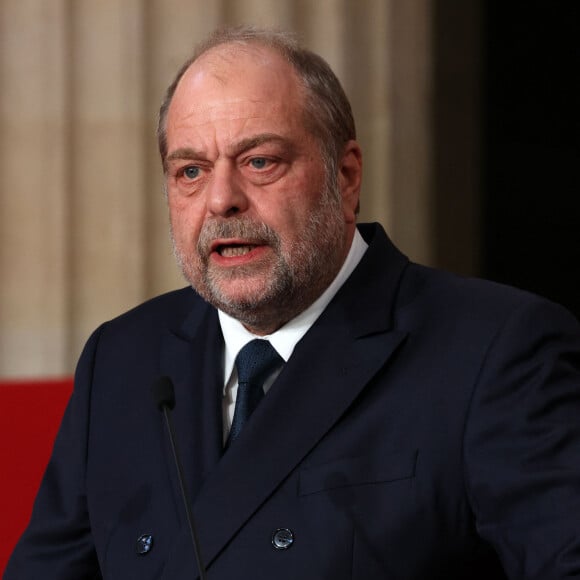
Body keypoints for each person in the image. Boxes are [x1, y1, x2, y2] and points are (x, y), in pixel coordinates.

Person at [6, 25, 580, 579]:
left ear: (346, 176)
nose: (222, 200)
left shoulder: (497, 351)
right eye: (191, 171)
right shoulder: (122, 359)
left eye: (260, 162)